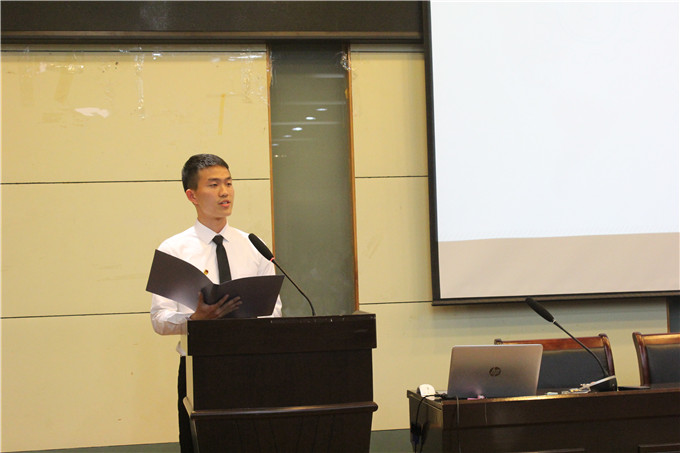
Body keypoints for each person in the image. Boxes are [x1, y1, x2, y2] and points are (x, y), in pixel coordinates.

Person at [150, 153, 282, 453]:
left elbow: (274, 309)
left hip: (252, 363)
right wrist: (195, 320)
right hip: (200, 367)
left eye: (229, 183)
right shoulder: (173, 250)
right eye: (214, 185)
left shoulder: (254, 245)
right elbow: (159, 319)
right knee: (202, 444)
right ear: (192, 195)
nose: (225, 192)